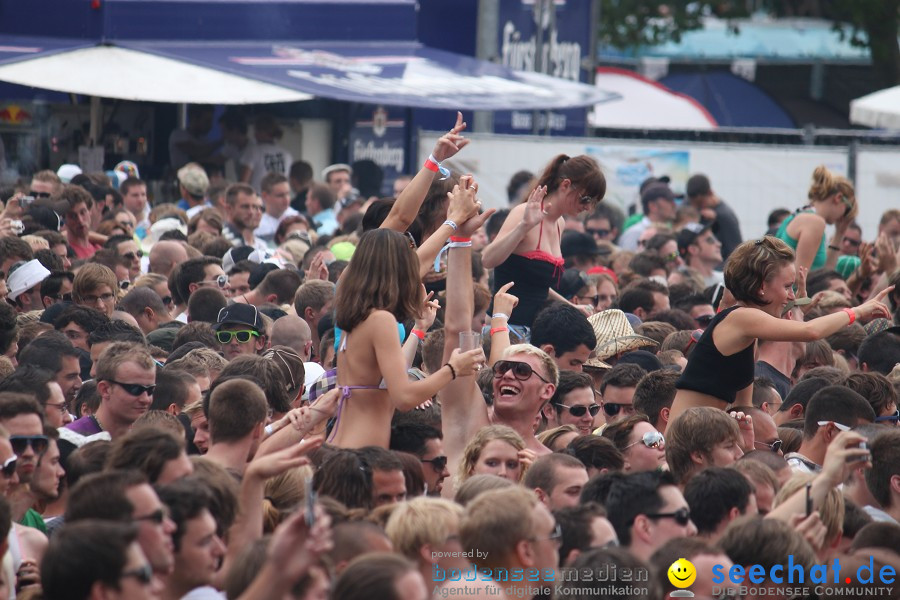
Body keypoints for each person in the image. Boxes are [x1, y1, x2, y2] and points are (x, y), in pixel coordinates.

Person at [670, 236, 892, 423]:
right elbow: (810, 332)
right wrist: (857, 312)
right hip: (684, 442)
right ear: (761, 287)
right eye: (787, 286)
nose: (792, 296)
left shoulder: (748, 331)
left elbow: (744, 406)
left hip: (707, 435)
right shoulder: (740, 317)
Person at [328, 228, 482, 449]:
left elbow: (387, 377)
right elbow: (404, 397)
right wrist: (452, 369)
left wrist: (419, 329)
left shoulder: (352, 320)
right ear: (400, 272)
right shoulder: (381, 320)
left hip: (339, 445)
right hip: (364, 453)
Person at [483, 154, 606, 331]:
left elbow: (537, 286)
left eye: (593, 202)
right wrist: (523, 227)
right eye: (585, 199)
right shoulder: (523, 212)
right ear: (565, 185)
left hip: (534, 331)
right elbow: (487, 260)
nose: (588, 208)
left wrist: (571, 307)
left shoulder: (559, 223)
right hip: (506, 329)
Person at [774, 165, 857, 273]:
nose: (843, 218)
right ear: (838, 198)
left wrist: (839, 234)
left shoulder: (796, 216)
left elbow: (825, 274)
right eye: (847, 210)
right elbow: (800, 279)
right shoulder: (815, 222)